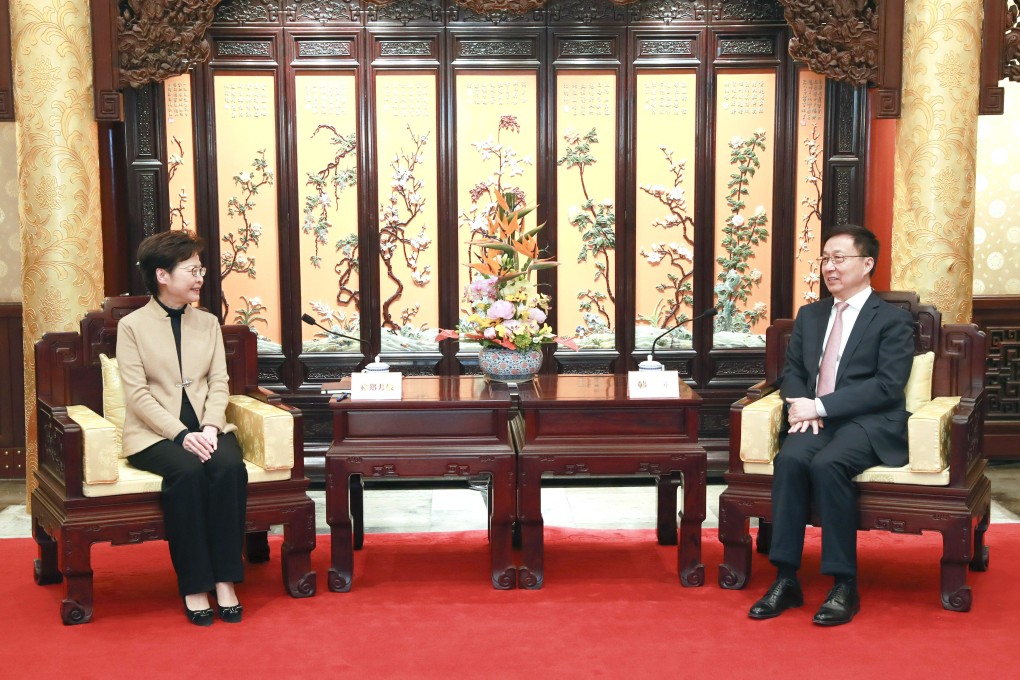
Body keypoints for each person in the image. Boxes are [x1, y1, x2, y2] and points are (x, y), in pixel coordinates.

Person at [747, 224, 914, 626]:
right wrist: (799, 404)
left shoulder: (892, 320)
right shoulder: (811, 314)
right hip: (813, 418)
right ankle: (786, 578)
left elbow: (887, 386)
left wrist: (819, 407)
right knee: (789, 461)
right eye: (824, 258)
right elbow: (793, 372)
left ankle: (844, 584)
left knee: (828, 465)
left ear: (866, 263)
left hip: (868, 422)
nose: (829, 267)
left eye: (839, 258)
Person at [118, 229, 248, 626]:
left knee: (228, 467)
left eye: (201, 269)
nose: (200, 277)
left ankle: (225, 579)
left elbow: (220, 382)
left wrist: (210, 427)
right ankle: (194, 584)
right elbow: (138, 396)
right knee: (188, 471)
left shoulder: (208, 323)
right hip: (156, 435)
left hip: (207, 429)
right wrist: (181, 435)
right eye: (191, 270)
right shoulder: (132, 327)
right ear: (162, 275)